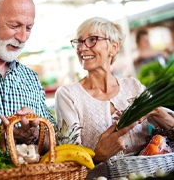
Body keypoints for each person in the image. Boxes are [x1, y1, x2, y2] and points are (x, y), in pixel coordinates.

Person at [54, 17, 174, 179]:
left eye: (92, 40)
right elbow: (69, 161)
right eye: (79, 41)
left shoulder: (134, 86)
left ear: (113, 47)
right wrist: (97, 156)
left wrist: (157, 112)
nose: (82, 48)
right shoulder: (68, 95)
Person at [0, 0, 55, 157]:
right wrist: (1, 135)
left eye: (28, 28)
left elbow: (55, 142)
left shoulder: (30, 78)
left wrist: (35, 134)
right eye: (14, 26)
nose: (22, 37)